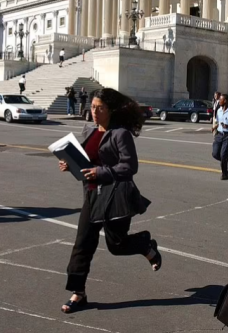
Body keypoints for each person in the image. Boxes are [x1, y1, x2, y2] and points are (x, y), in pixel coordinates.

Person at [57, 88, 161, 314]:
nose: (94, 112)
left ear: (110, 110)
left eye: (100, 108)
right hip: (92, 196)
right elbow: (86, 163)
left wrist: (100, 172)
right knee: (82, 245)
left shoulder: (120, 134)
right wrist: (70, 166)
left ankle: (144, 244)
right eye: (92, 107)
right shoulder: (89, 131)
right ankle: (78, 293)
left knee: (117, 245)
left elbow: (129, 167)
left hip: (115, 197)